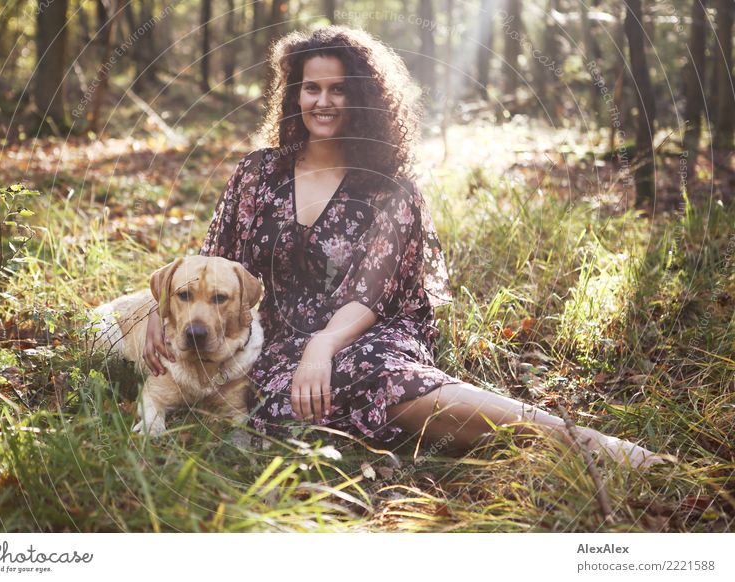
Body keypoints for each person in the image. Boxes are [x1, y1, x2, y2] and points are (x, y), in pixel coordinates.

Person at [143, 26, 667, 470]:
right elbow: (209, 262)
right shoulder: (258, 173)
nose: (323, 102)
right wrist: (155, 312)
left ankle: (586, 444)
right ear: (293, 94)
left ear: (364, 98)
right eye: (311, 88)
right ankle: (521, 443)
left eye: (339, 89)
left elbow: (369, 296)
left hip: (365, 332)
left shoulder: (390, 192)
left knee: (379, 377)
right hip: (274, 345)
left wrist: (322, 347)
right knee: (279, 401)